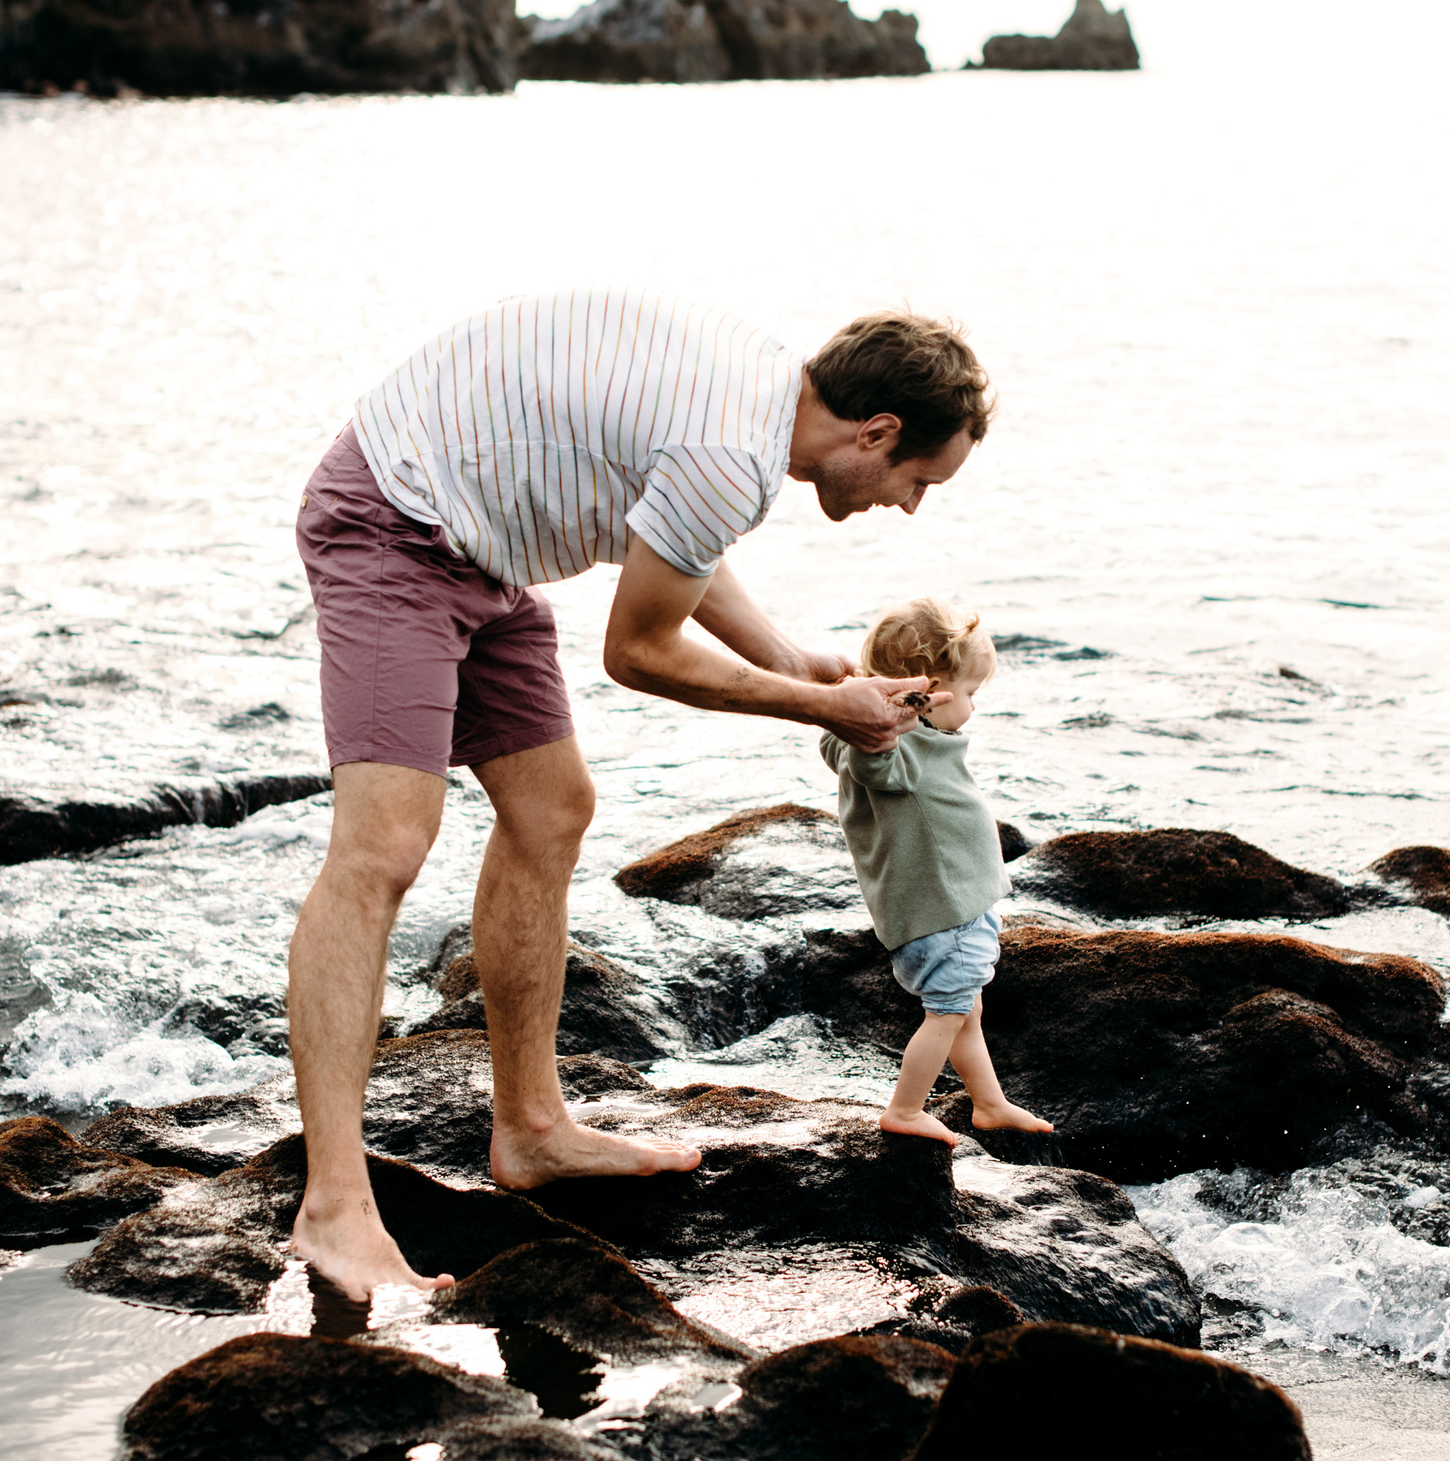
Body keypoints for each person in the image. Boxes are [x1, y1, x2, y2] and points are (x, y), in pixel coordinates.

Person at [288, 287, 994, 1296]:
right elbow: (638, 651)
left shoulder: (755, 398)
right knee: (383, 848)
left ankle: (531, 1131)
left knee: (552, 807)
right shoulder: (733, 454)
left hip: (481, 549)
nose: (910, 504)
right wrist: (818, 707)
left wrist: (802, 662)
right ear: (876, 432)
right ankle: (334, 1211)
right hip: (393, 525)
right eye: (918, 477)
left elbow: (677, 545)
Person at [817, 599, 1052, 1146]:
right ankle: (905, 1108)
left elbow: (839, 741)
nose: (971, 707)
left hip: (945, 910)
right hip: (946, 914)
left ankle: (989, 1103)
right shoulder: (889, 744)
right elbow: (870, 757)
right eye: (968, 693)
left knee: (965, 1008)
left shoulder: (871, 738)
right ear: (928, 691)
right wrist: (892, 721)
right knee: (946, 1014)